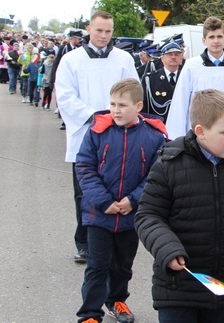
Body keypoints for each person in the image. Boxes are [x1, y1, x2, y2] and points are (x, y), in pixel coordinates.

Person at [136, 89, 224, 323]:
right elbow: (148, 215)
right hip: (178, 286)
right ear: (201, 132)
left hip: (223, 289)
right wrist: (167, 248)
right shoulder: (169, 164)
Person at [75, 78, 167, 323]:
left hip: (130, 216)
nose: (115, 110)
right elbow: (84, 167)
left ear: (138, 106)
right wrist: (103, 201)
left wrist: (133, 200)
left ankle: (117, 300)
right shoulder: (97, 132)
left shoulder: (154, 136)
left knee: (123, 265)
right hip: (99, 214)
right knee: (97, 266)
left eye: (122, 105)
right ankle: (90, 314)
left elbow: (156, 175)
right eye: (112, 104)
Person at [56, 11, 140, 265]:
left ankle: (116, 238)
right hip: (86, 133)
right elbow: (65, 96)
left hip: (118, 132)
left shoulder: (123, 59)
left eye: (108, 31)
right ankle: (85, 243)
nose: (104, 36)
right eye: (99, 30)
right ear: (89, 29)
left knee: (118, 186)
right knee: (85, 190)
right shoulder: (71, 60)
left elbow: (135, 90)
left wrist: (117, 117)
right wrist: (95, 116)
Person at [165, 17, 224, 139]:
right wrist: (176, 140)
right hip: (199, 135)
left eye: (219, 36)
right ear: (204, 40)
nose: (216, 41)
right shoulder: (191, 66)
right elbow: (180, 103)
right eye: (211, 37)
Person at [141, 40, 185, 121]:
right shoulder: (150, 79)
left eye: (176, 54)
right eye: (169, 54)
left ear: (181, 59)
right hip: (158, 126)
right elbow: (145, 107)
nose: (173, 57)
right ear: (162, 59)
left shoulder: (186, 77)